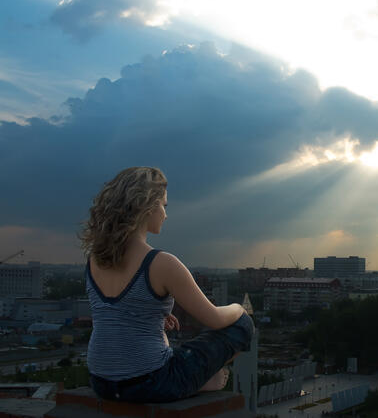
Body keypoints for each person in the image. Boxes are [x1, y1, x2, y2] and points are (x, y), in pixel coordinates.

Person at [79, 166, 253, 402]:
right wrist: (239, 309)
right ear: (147, 206)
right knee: (242, 326)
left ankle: (191, 381)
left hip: (102, 383)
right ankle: (200, 381)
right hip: (151, 384)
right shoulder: (161, 263)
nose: (165, 214)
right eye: (164, 205)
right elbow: (214, 318)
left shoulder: (94, 260)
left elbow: (118, 314)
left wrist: (154, 314)